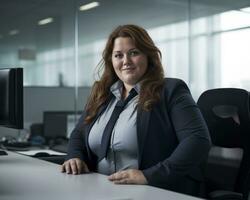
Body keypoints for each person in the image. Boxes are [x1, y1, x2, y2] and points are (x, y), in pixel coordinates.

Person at [61, 24, 211, 197]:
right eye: (118, 55)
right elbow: (79, 134)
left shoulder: (171, 91)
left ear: (148, 56)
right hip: (101, 190)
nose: (126, 61)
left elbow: (197, 140)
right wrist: (74, 156)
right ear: (111, 60)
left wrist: (148, 176)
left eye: (134, 53)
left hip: (155, 191)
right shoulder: (102, 94)